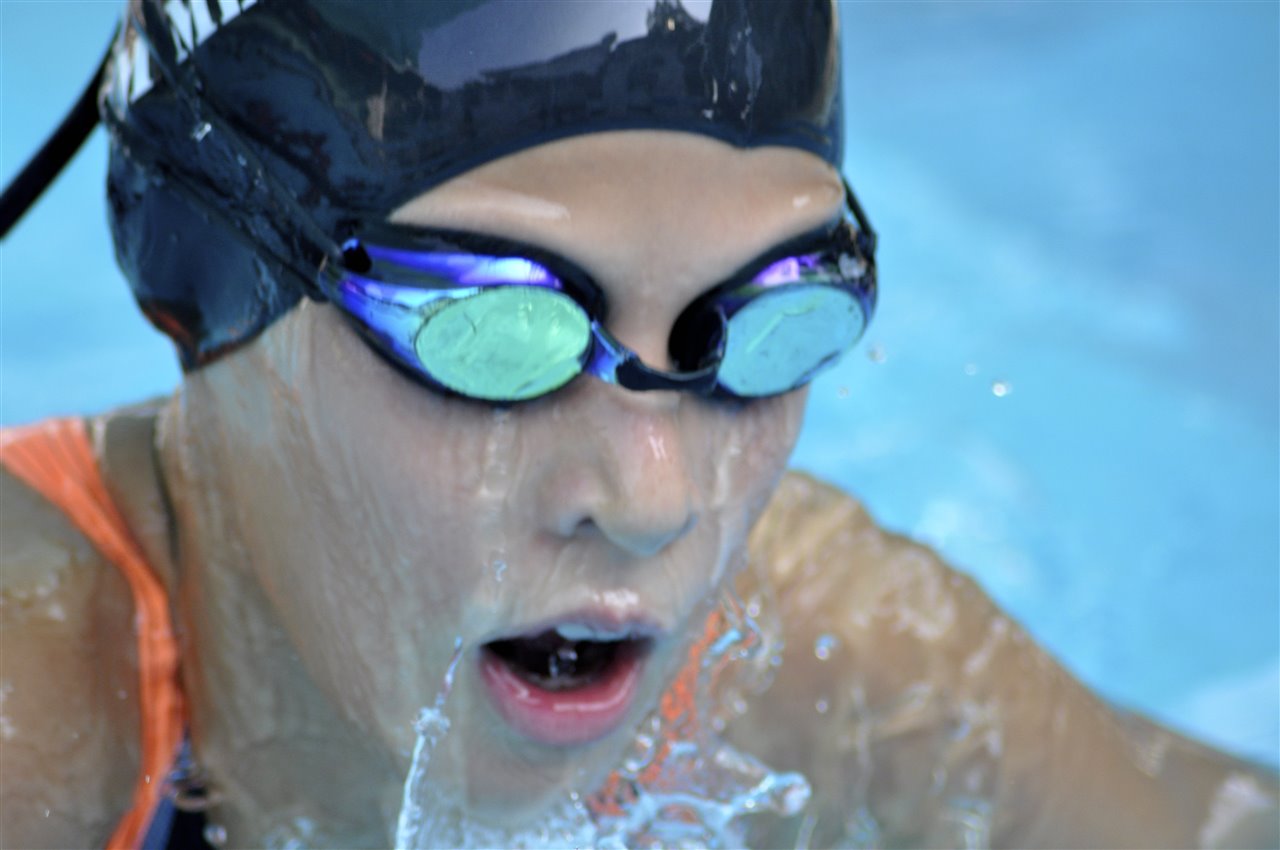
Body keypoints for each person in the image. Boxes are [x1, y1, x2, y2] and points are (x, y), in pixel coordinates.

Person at [1, 2, 1276, 848]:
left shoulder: (819, 667)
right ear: (201, 296)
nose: (653, 497)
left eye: (766, 323)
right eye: (498, 334)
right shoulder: (33, 684)